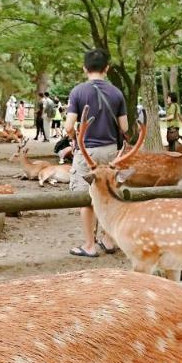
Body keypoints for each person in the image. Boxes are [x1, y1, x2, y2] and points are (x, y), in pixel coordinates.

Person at [65, 47, 127, 258]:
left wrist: (74, 138)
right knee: (108, 194)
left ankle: (90, 245)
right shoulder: (117, 93)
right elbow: (125, 127)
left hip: (87, 152)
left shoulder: (78, 92)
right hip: (110, 151)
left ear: (85, 68)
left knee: (86, 197)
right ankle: (108, 240)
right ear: (107, 69)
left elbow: (68, 126)